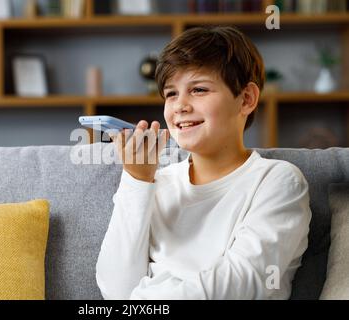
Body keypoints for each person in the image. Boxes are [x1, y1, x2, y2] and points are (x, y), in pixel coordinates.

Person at [95, 26, 312, 300]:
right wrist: (136, 180)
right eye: (171, 93)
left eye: (198, 89)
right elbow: (115, 290)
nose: (179, 106)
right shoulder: (157, 183)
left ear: (246, 99)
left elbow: (241, 286)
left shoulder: (278, 182)